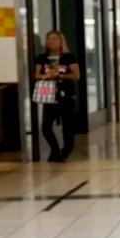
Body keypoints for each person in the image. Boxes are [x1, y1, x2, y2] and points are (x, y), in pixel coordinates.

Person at [34, 30, 81, 162]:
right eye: (49, 39)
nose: (51, 42)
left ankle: (67, 150)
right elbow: (37, 75)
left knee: (68, 125)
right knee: (46, 126)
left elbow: (76, 75)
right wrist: (46, 76)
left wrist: (60, 75)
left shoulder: (68, 58)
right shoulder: (42, 58)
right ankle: (55, 148)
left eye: (54, 39)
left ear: (61, 41)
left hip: (66, 95)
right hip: (48, 95)